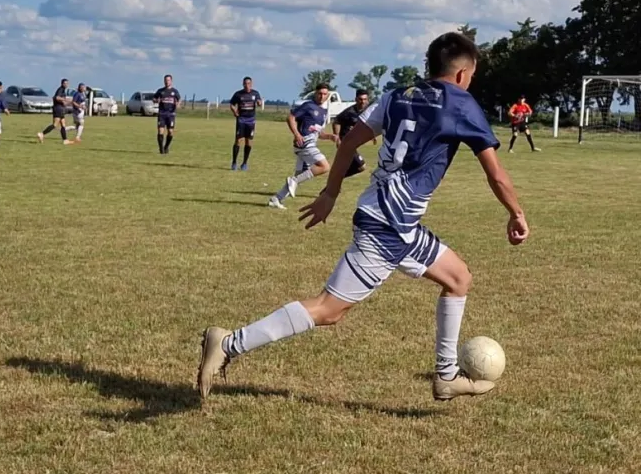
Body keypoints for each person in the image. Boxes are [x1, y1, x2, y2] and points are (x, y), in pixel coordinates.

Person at [197, 32, 529, 402]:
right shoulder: (462, 104)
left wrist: (330, 193)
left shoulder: (397, 96)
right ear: (463, 74)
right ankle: (229, 343)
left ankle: (447, 375)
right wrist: (516, 213)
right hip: (387, 227)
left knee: (458, 278)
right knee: (328, 309)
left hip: (397, 224)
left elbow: (350, 141)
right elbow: (496, 173)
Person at [267, 83, 337, 210]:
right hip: (304, 143)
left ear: (328, 95)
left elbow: (318, 132)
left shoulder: (324, 112)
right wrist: (297, 134)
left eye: (325, 94)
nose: (322, 96)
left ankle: (276, 199)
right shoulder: (308, 105)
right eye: (320, 93)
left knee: (301, 173)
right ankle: (294, 181)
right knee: (324, 166)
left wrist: (329, 136)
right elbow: (291, 118)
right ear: (315, 93)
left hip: (310, 142)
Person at [332, 88, 378, 178]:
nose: (363, 102)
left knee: (347, 166)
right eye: (360, 99)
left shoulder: (367, 111)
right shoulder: (349, 112)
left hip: (353, 142)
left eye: (365, 99)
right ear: (356, 99)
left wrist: (372, 135)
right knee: (361, 166)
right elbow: (336, 121)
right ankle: (335, 180)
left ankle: (333, 183)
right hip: (346, 142)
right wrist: (337, 138)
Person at [229, 76, 263, 171]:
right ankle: (234, 162)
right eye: (245, 84)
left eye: (249, 84)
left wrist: (260, 103)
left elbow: (259, 101)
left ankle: (244, 163)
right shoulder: (238, 94)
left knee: (249, 142)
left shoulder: (255, 93)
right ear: (243, 84)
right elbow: (231, 104)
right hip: (241, 120)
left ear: (251, 84)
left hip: (251, 121)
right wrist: (234, 111)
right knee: (238, 140)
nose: (247, 85)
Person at [37, 78, 74, 145]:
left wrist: (69, 102)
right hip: (58, 109)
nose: (66, 85)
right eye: (65, 83)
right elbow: (56, 98)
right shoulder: (60, 89)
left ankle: (65, 140)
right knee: (55, 125)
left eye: (67, 83)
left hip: (60, 108)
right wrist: (64, 99)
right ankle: (42, 134)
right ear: (62, 83)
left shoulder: (63, 91)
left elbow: (63, 102)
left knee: (63, 124)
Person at [153, 74, 181, 154]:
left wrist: (178, 104)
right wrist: (156, 100)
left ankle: (166, 147)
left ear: (171, 81)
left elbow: (179, 99)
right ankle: (161, 149)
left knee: (170, 132)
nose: (166, 82)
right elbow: (154, 98)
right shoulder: (160, 91)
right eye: (165, 80)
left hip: (171, 114)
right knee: (160, 131)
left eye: (168, 80)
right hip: (162, 114)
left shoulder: (174, 91)